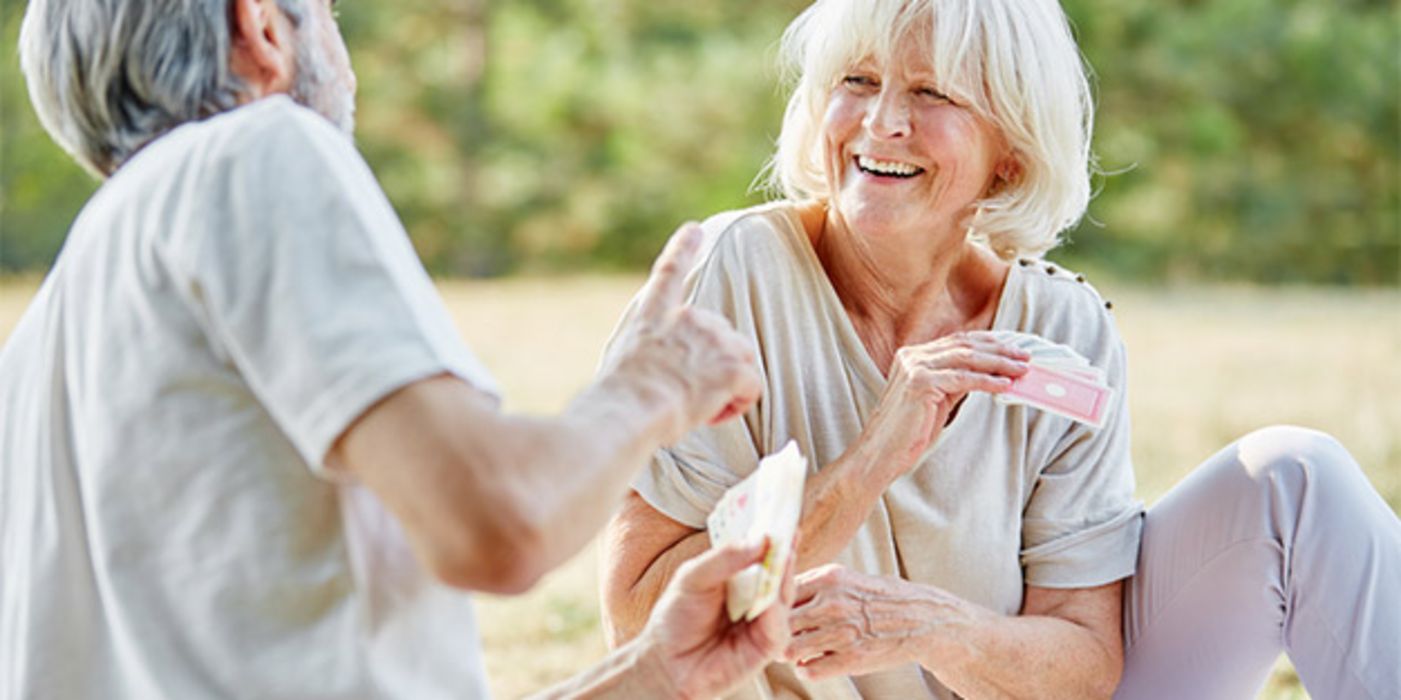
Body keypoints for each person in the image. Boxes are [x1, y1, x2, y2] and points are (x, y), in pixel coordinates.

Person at [599, 0, 1401, 698]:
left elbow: (1085, 662)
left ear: (1008, 155)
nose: (881, 122)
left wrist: (930, 630)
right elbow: (637, 620)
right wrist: (868, 462)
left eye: (931, 91)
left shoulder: (1064, 327)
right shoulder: (734, 273)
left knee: (1296, 476)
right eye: (857, 81)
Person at [0, 0, 794, 698]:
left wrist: (649, 679)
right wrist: (653, 385)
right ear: (260, 26)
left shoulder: (40, 343)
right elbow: (497, 528)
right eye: (331, 13)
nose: (346, 59)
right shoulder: (254, 150)